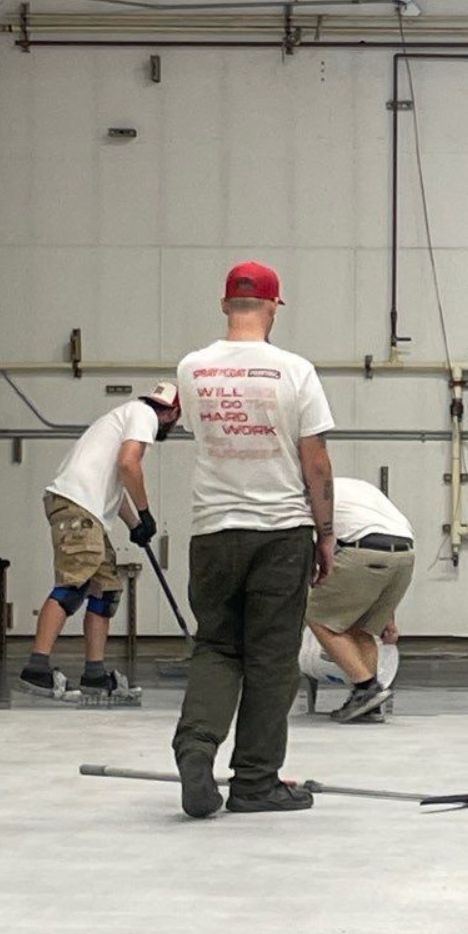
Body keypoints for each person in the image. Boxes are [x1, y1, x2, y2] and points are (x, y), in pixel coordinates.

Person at [171, 261, 336, 818]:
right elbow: (316, 463)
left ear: (225, 305)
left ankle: (196, 749)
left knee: (217, 646)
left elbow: (199, 432)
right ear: (272, 307)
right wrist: (327, 534)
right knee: (271, 659)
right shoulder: (295, 371)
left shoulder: (192, 369)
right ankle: (255, 783)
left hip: (213, 531)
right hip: (280, 533)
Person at [19, 382, 179, 704]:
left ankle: (94, 674)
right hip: (77, 507)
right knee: (74, 584)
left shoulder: (125, 418)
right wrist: (146, 512)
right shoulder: (143, 415)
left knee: (105, 590)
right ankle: (37, 668)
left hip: (85, 509)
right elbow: (128, 465)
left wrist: (136, 525)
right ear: (172, 413)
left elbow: (117, 484)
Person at [303, 477, 414, 723]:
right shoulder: (359, 488)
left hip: (363, 550)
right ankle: (369, 707)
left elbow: (309, 544)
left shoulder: (309, 491)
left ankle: (366, 688)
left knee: (318, 617)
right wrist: (388, 616)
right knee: (362, 627)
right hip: (405, 553)